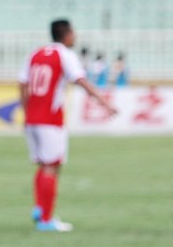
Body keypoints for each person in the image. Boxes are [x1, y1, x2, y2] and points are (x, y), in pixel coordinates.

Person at [17, 19, 117, 232]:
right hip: (51, 120)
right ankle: (46, 219)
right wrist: (104, 102)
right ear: (67, 34)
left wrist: (27, 111)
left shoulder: (35, 53)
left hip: (32, 119)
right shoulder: (65, 55)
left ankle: (39, 208)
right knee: (52, 165)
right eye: (74, 32)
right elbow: (80, 80)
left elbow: (22, 83)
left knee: (44, 164)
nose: (75, 36)